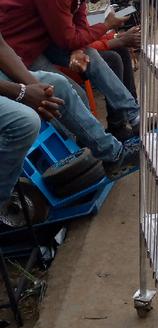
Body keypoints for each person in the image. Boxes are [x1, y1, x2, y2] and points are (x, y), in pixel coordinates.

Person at [0, 0, 142, 135]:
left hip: (41, 41)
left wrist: (78, 48)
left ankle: (133, 116)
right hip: (18, 50)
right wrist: (106, 25)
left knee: (91, 56)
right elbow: (68, 38)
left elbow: (79, 24)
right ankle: (98, 151)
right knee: (75, 96)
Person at [0, 29, 140, 212]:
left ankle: (113, 154)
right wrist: (21, 92)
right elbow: (66, 35)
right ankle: (2, 199)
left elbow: (1, 46)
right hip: (30, 51)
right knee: (25, 122)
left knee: (57, 84)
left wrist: (36, 88)